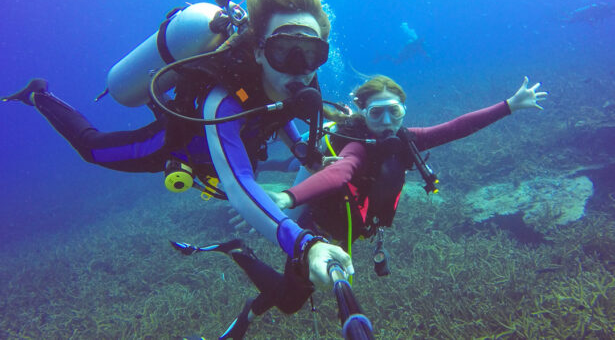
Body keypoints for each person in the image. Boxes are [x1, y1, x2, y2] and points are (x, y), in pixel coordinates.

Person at [2, 0, 354, 316]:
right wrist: (303, 243)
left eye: (311, 53)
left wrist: (297, 148)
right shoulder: (223, 102)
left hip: (234, 146)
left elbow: (277, 113)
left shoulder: (302, 81)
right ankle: (40, 96)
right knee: (92, 148)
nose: (299, 67)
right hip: (181, 145)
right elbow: (238, 184)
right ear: (260, 51)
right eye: (284, 50)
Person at [178, 74, 547, 338]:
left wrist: (510, 105)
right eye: (376, 114)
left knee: (295, 291)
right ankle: (238, 253)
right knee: (292, 301)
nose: (386, 123)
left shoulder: (408, 140)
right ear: (363, 113)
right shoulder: (356, 144)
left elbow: (456, 127)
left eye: (395, 112)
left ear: (404, 111)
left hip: (350, 230)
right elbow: (340, 173)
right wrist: (289, 198)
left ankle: (254, 306)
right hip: (319, 231)